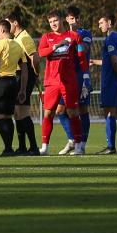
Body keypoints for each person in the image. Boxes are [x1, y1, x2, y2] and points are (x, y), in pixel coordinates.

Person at [37, 10, 88, 155]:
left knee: (72, 112)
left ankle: (78, 146)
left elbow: (81, 58)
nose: (53, 24)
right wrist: (56, 46)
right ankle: (45, 147)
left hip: (69, 81)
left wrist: (85, 78)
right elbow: (40, 53)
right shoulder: (47, 37)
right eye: (50, 22)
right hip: (52, 81)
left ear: (62, 20)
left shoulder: (74, 36)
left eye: (55, 20)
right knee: (48, 113)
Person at [52, 6, 93, 154]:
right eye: (70, 18)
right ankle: (72, 139)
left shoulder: (84, 33)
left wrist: (71, 41)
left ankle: (82, 144)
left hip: (81, 76)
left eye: (76, 18)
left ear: (79, 19)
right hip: (67, 78)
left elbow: (84, 50)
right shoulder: (64, 35)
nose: (73, 21)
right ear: (67, 19)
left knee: (82, 110)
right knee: (60, 110)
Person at [0, 19, 28, 156]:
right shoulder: (18, 45)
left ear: (3, 30)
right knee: (8, 116)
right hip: (13, 82)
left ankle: (8, 147)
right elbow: (25, 69)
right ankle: (8, 148)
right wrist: (22, 89)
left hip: (0, 81)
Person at [91, 13, 117, 154]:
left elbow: (114, 60)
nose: (99, 25)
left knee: (109, 113)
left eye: (101, 22)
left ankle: (111, 146)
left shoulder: (110, 39)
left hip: (112, 81)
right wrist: (95, 62)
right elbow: (112, 60)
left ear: (109, 22)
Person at [6, 11, 39, 155]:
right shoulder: (17, 38)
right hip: (19, 75)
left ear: (15, 23)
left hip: (25, 76)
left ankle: (33, 147)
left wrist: (36, 75)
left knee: (22, 112)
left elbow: (35, 58)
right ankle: (22, 147)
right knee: (18, 113)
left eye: (8, 23)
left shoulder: (24, 38)